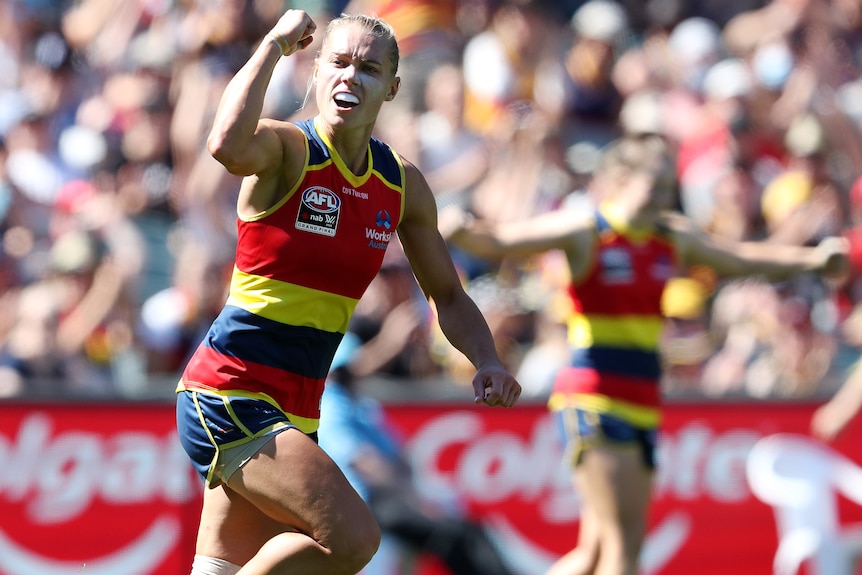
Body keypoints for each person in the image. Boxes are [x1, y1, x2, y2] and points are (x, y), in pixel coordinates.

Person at [174, 10, 521, 575]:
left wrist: (485, 359)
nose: (350, 78)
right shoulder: (288, 150)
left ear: (392, 87)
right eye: (337, 63)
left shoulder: (400, 183)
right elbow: (225, 144)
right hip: (232, 392)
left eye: (368, 68)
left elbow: (448, 296)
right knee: (353, 539)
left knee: (220, 569)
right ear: (314, 72)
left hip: (297, 406)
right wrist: (271, 44)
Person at [444, 132, 848, 575]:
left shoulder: (671, 237)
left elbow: (742, 258)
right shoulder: (587, 232)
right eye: (650, 186)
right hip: (592, 399)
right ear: (620, 179)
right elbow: (504, 240)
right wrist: (462, 230)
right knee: (620, 554)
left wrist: (811, 262)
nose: (660, 196)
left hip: (641, 403)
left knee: (603, 553)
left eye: (665, 187)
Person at [318, 332, 516, 575]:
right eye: (344, 369)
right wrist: (415, 499)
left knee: (467, 528)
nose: (348, 374)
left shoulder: (359, 403)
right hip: (367, 505)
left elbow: (399, 454)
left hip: (390, 497)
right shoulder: (331, 404)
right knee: (453, 534)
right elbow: (363, 463)